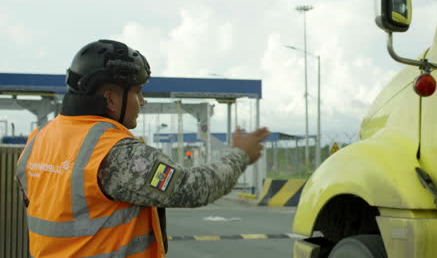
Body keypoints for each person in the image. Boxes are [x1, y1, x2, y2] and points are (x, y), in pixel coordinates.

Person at [16, 39, 270, 258]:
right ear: (110, 99)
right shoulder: (112, 152)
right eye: (137, 92)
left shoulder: (38, 139)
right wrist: (240, 155)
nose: (143, 101)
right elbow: (193, 188)